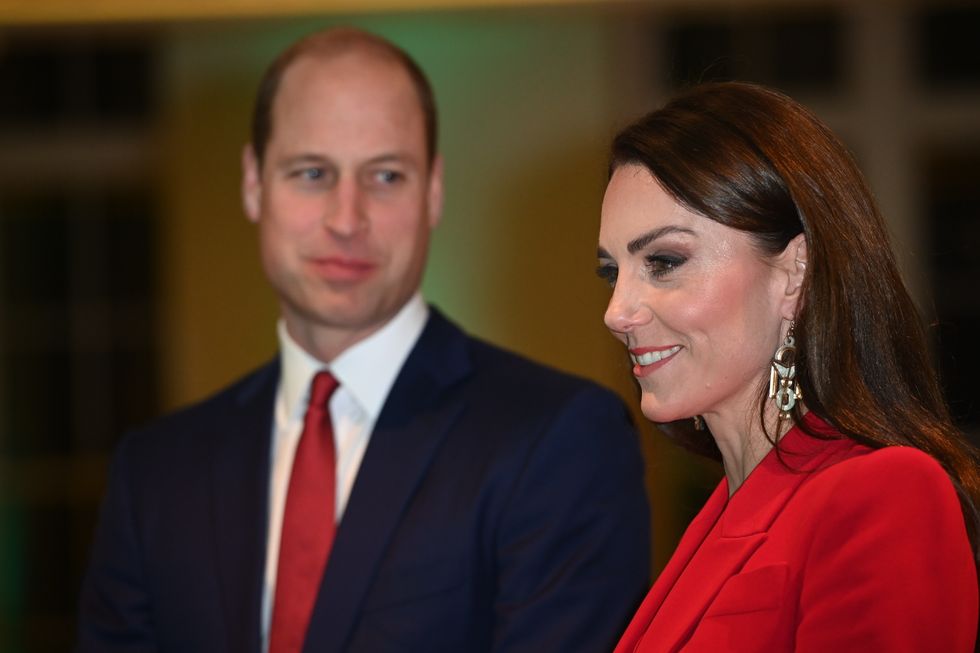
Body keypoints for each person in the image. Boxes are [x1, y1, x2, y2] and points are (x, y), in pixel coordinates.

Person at [76, 27, 651, 653]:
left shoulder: (559, 441)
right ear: (252, 183)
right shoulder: (155, 474)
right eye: (313, 172)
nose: (346, 219)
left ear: (433, 190)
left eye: (384, 176)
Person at [596, 81, 980, 652]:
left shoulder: (884, 493)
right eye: (612, 272)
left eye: (664, 261)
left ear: (795, 272)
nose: (616, 312)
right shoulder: (720, 516)